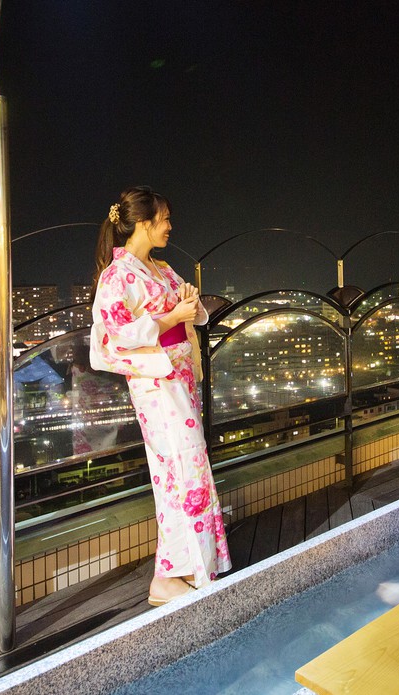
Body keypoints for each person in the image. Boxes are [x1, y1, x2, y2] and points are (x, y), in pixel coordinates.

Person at [89, 186, 232, 605]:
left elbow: (190, 314)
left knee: (188, 468)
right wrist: (171, 316)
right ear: (145, 223)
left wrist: (188, 302)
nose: (170, 226)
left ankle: (186, 568)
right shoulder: (117, 277)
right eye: (165, 218)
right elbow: (112, 337)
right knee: (177, 472)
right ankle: (171, 573)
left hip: (179, 379)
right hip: (157, 384)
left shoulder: (161, 268)